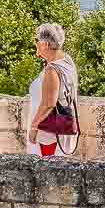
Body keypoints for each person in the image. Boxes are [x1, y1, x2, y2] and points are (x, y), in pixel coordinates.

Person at [24, 23, 80, 157]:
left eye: (37, 41)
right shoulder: (67, 61)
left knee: (45, 171)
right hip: (62, 129)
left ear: (45, 44)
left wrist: (34, 127)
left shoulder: (52, 69)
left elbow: (49, 103)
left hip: (48, 133)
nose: (36, 44)